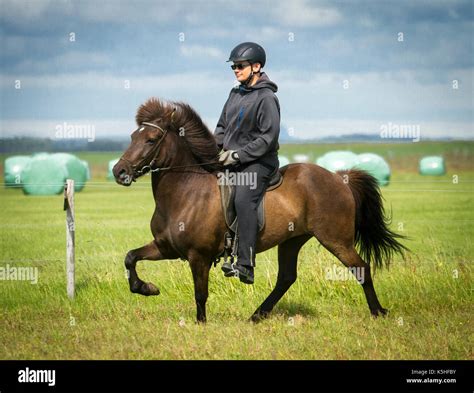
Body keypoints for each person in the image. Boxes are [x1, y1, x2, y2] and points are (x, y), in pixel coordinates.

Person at [215, 42, 280, 284]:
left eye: (240, 66)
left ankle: (245, 264)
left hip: (259, 162)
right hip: (234, 160)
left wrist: (237, 155)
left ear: (256, 66)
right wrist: (212, 151)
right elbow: (222, 127)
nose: (235, 69)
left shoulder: (267, 98)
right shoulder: (234, 94)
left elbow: (268, 137)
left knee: (243, 199)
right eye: (233, 66)